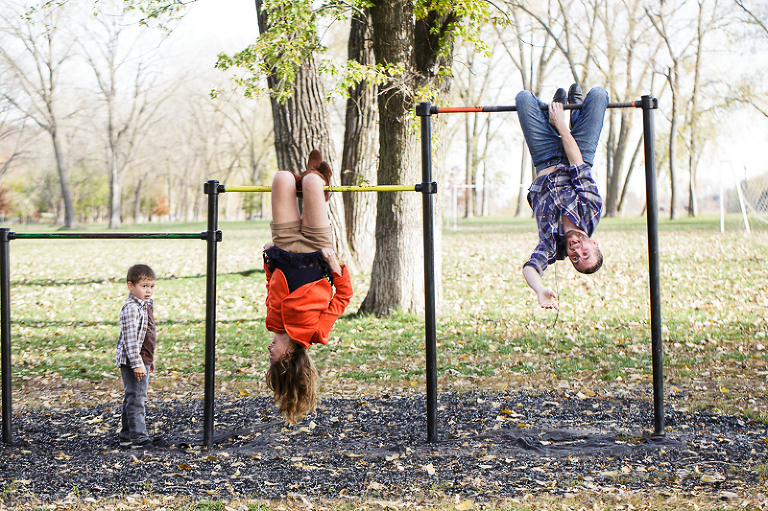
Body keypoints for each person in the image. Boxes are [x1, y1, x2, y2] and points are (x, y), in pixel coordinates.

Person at [263, 150, 353, 424]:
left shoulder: (271, 323)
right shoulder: (315, 333)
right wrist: (334, 265)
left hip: (285, 247)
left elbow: (273, 286)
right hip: (316, 251)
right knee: (313, 184)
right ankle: (315, 183)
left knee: (281, 179)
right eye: (273, 358)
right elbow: (344, 297)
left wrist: (268, 261)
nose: (269, 352)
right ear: (287, 358)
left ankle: (304, 181)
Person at [516, 84, 609, 310]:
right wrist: (561, 123)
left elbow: (531, 267)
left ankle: (551, 111)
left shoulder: (552, 243)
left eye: (575, 258)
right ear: (593, 243)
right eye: (585, 252)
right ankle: (571, 111)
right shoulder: (591, 210)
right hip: (579, 151)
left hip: (545, 157)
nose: (576, 251)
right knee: (598, 95)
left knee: (523, 99)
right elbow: (576, 163)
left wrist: (540, 289)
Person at [115, 264, 163, 449]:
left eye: (151, 286)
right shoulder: (131, 308)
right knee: (137, 398)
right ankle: (139, 438)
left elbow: (147, 336)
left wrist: (149, 361)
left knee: (132, 397)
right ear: (130, 285)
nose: (149, 290)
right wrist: (137, 364)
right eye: (144, 286)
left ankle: (127, 436)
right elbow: (130, 340)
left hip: (142, 360)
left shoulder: (144, 306)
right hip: (132, 361)